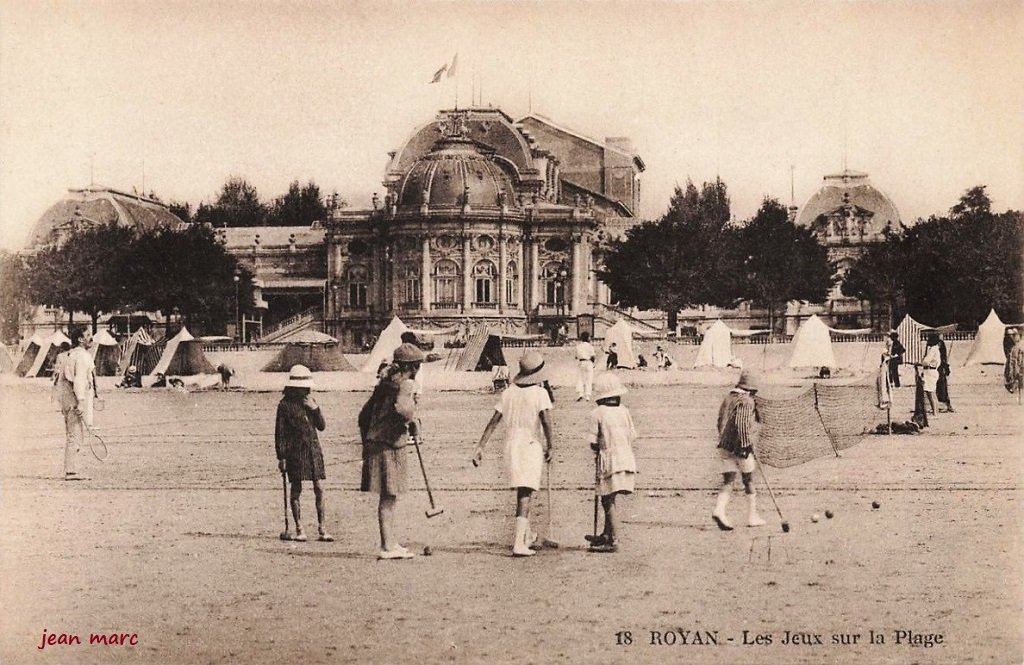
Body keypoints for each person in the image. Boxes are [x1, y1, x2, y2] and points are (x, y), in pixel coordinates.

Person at [473, 351, 554, 557]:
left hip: (510, 445)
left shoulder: (509, 392)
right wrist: (551, 445)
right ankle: (519, 542)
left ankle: (527, 535)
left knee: (522, 490)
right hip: (530, 445)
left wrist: (481, 446)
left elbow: (494, 420)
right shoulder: (540, 394)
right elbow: (546, 421)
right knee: (525, 492)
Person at [358, 343, 424, 560]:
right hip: (388, 444)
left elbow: (363, 415)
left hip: (377, 442)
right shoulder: (404, 385)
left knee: (389, 496)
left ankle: (390, 542)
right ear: (413, 367)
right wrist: (412, 419)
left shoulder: (385, 383)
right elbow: (404, 410)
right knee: (389, 497)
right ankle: (387, 546)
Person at [275, 365, 330, 542]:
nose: (307, 390)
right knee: (296, 489)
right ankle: (299, 528)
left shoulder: (310, 402)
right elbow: (280, 433)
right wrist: (281, 457)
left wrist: (315, 408)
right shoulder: (284, 406)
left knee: (319, 488)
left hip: (313, 450)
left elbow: (321, 426)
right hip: (295, 453)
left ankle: (322, 528)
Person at [585, 373, 637, 553]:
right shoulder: (624, 411)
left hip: (609, 461)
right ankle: (606, 534)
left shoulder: (597, 413)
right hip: (626, 457)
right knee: (610, 498)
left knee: (607, 500)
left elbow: (593, 441)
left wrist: (597, 448)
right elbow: (632, 435)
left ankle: (613, 540)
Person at [711, 370, 767, 530]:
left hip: (724, 445)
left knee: (728, 481)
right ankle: (752, 516)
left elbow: (719, 420)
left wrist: (723, 438)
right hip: (740, 448)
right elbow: (742, 424)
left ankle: (719, 509)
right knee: (748, 480)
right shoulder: (746, 401)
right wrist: (747, 445)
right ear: (751, 389)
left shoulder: (728, 398)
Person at [54, 327, 95, 481]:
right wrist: (81, 402)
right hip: (74, 400)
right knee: (75, 434)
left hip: (67, 399)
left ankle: (72, 469)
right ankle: (71, 471)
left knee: (73, 433)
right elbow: (78, 380)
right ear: (80, 339)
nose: (91, 338)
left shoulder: (70, 355)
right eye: (88, 335)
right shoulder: (82, 356)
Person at [920, 334, 941, 416]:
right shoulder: (935, 349)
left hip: (930, 371)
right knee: (930, 392)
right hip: (930, 371)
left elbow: (926, 361)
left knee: (931, 392)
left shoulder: (933, 349)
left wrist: (922, 361)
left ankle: (935, 412)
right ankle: (935, 411)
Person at [934, 333, 954, 412]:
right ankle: (945, 404)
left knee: (941, 387)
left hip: (940, 368)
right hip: (941, 368)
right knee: (942, 387)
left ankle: (943, 405)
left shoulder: (938, 345)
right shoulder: (940, 344)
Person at [575, 331, 596, 401]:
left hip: (581, 362)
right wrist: (593, 363)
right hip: (588, 362)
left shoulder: (578, 346)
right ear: (587, 338)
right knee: (589, 379)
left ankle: (580, 394)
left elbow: (576, 356)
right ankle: (587, 395)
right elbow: (593, 356)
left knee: (580, 378)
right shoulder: (590, 346)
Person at [1005, 328, 1024, 399]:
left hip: (1019, 364)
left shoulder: (1018, 346)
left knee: (1017, 376)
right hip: (1016, 364)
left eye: (1013, 335)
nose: (1011, 337)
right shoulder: (1013, 346)